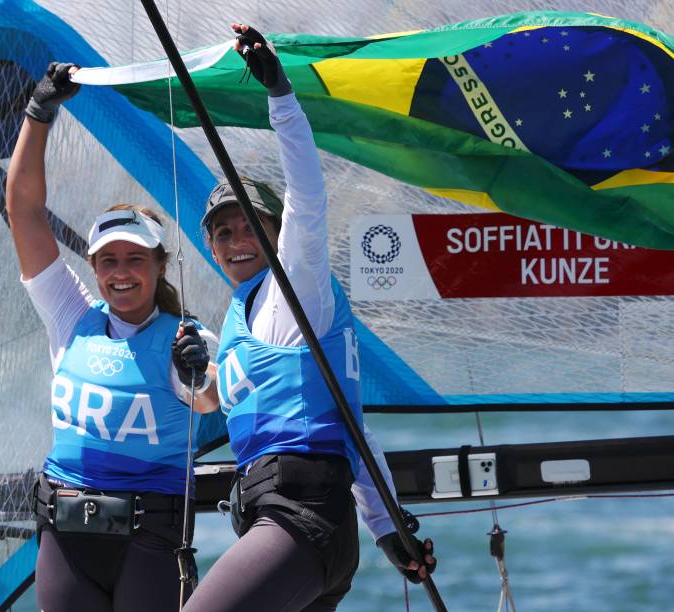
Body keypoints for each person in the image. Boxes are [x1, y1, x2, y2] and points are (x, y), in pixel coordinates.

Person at [183, 24, 436, 612]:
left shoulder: (298, 289)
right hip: (303, 532)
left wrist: (281, 95)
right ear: (213, 248)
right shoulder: (243, 320)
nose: (236, 239)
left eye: (250, 225)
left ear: (276, 234)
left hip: (300, 525)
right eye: (223, 232)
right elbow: (352, 429)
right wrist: (386, 528)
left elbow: (307, 198)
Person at [6, 61, 221, 612]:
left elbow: (209, 397)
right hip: (65, 531)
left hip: (151, 539)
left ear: (159, 266)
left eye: (134, 259)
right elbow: (24, 210)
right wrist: (39, 113)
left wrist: (201, 372)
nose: (121, 272)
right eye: (108, 262)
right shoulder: (71, 315)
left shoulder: (185, 336)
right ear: (94, 268)